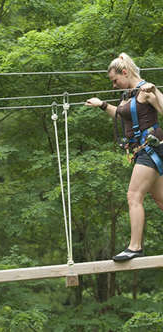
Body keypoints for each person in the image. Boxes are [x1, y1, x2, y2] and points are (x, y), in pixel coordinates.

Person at [85, 52, 163, 261]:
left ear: (125, 72)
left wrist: (155, 90)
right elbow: (121, 116)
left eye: (115, 80)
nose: (113, 85)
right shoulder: (127, 95)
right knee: (160, 199)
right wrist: (102, 105)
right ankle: (135, 246)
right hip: (142, 152)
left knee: (133, 196)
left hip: (150, 148)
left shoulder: (145, 90)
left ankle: (135, 246)